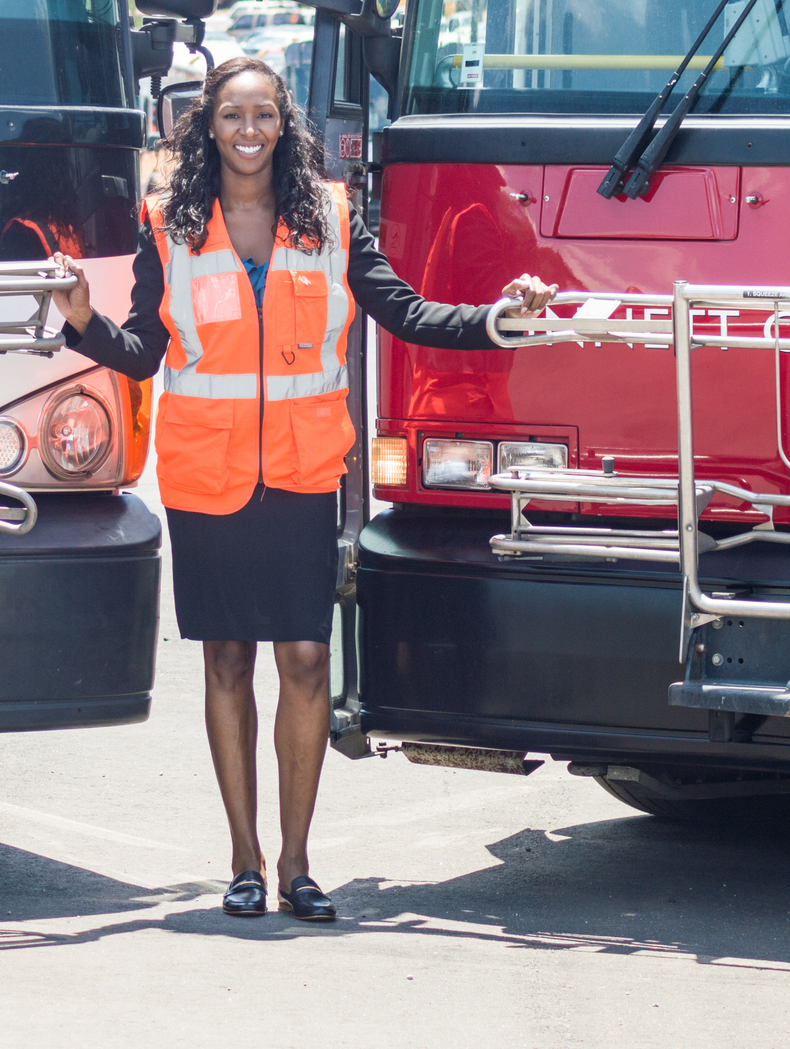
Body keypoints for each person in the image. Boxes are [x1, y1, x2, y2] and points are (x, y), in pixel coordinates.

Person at [49, 57, 555, 923]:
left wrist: (493, 321)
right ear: (206, 126)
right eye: (232, 116)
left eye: (265, 116)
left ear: (286, 125)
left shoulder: (329, 215)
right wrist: (80, 318)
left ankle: (297, 862)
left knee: (308, 659)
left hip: (298, 471)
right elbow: (142, 351)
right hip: (209, 477)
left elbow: (403, 309)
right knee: (226, 660)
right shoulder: (168, 223)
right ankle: (243, 859)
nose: (250, 131)